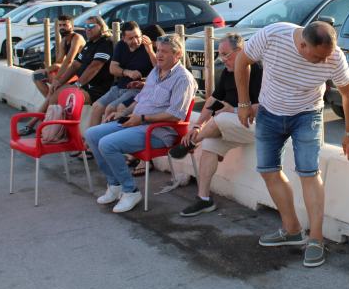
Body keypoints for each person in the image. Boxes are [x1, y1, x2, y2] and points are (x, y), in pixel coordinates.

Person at [235, 21, 349, 268]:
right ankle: (292, 229)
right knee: (268, 170)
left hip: (307, 114)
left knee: (309, 172)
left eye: (327, 57)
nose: (324, 62)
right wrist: (243, 102)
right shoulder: (273, 35)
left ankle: (315, 238)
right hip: (269, 112)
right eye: (317, 57)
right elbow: (241, 61)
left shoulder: (333, 57)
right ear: (302, 45)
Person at [84, 34, 197, 213]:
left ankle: (130, 191)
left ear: (178, 55)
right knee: (92, 134)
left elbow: (175, 116)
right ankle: (115, 185)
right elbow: (139, 100)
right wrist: (122, 113)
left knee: (107, 144)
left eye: (165, 52)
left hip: (159, 132)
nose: (159, 55)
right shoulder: (155, 71)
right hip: (137, 122)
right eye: (158, 50)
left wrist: (142, 119)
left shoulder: (183, 79)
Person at [171, 33, 262, 217]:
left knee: (219, 119)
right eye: (220, 54)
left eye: (226, 54)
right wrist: (197, 125)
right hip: (230, 125)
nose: (223, 59)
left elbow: (263, 107)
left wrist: (234, 111)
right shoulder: (228, 72)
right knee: (210, 144)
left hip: (254, 125)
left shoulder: (257, 70)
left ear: (240, 51)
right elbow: (213, 99)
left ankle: (191, 143)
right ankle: (204, 199)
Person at [22, 15, 86, 136]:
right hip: (68, 72)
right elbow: (60, 61)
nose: (62, 27)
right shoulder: (64, 40)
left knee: (54, 90)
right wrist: (46, 70)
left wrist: (57, 79)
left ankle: (33, 122)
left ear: (71, 26)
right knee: (37, 76)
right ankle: (53, 105)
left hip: (77, 74)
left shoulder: (76, 38)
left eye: (65, 25)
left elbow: (69, 61)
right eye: (60, 25)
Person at [89, 21, 160, 126]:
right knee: (96, 106)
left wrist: (150, 51)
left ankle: (106, 138)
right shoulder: (120, 45)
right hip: (118, 87)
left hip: (136, 89)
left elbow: (159, 69)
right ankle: (90, 138)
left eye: (137, 36)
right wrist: (127, 72)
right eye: (131, 38)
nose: (136, 41)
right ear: (123, 38)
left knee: (111, 108)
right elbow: (112, 68)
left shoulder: (148, 46)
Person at [49, 16, 114, 105]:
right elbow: (74, 64)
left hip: (96, 88)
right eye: (86, 26)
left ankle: (46, 116)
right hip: (84, 83)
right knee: (51, 88)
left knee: (62, 95)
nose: (88, 29)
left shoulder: (104, 43)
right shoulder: (89, 43)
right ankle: (42, 116)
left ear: (101, 27)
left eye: (91, 26)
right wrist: (59, 82)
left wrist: (77, 85)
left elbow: (94, 67)